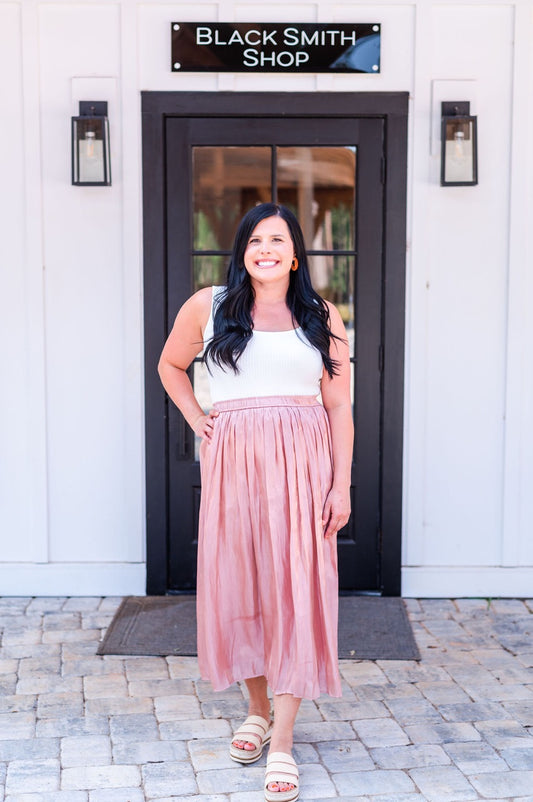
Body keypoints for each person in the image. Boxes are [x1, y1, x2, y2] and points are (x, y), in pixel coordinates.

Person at [158, 202, 353, 802]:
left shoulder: (322, 315)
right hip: (234, 466)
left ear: (294, 255)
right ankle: (257, 709)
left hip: (303, 466)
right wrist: (197, 417)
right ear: (242, 252)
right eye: (254, 240)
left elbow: (338, 406)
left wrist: (341, 484)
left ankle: (284, 738)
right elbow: (170, 365)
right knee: (242, 585)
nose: (265, 249)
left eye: (277, 240)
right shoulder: (210, 305)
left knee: (296, 590)